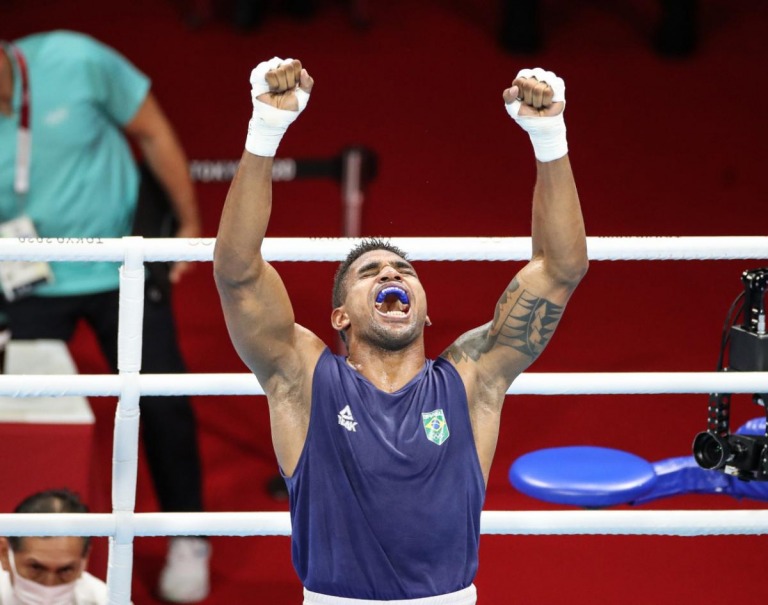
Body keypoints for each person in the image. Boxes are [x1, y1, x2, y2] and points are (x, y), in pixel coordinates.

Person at [214, 57, 588, 603]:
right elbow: (237, 272)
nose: (391, 273)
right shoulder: (303, 380)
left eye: (404, 270)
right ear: (340, 316)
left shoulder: (472, 379)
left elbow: (559, 269)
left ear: (425, 311)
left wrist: (549, 135)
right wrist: (265, 129)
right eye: (370, 272)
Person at [0, 31, 209, 603]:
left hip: (122, 263)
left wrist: (187, 225)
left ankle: (189, 536)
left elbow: (152, 130)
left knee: (162, 399)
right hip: (27, 278)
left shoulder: (75, 59)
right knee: (24, 409)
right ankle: (29, 547)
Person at [0, 489, 109, 604]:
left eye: (65, 570)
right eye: (36, 568)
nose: (49, 585)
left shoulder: (104, 601)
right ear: (4, 554)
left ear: (84, 560)